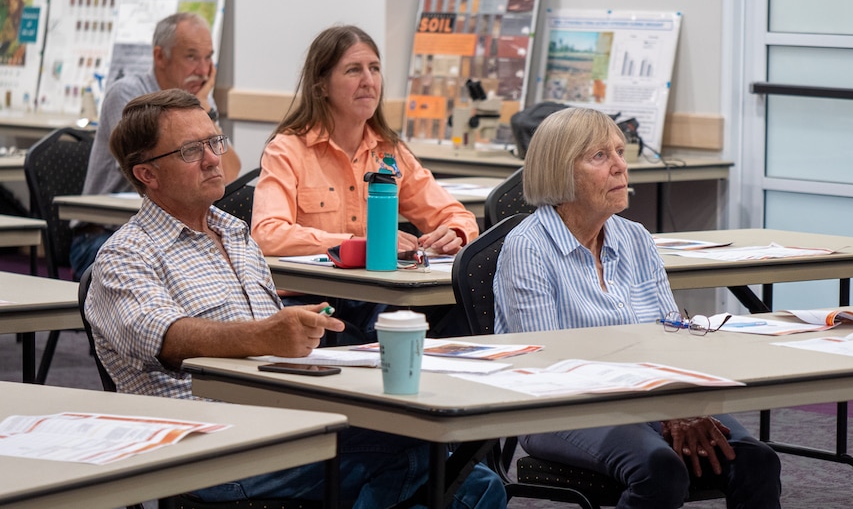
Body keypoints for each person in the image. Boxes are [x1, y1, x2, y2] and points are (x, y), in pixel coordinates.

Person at [85, 88, 506, 508]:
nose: (214, 158)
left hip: (283, 421)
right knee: (446, 466)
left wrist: (290, 334)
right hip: (209, 450)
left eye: (214, 141)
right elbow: (164, 338)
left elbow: (270, 348)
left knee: (463, 478)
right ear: (147, 174)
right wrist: (264, 335)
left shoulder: (234, 234)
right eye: (191, 151)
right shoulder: (125, 255)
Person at [493, 107, 781, 509]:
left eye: (620, 152)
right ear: (560, 171)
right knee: (659, 468)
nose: (620, 167)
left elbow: (670, 338)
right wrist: (663, 411)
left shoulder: (635, 238)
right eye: (599, 156)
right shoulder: (528, 247)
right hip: (559, 408)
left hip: (648, 399)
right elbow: (549, 366)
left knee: (757, 461)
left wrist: (685, 405)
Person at [251, 25, 479, 341]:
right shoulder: (288, 148)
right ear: (321, 86)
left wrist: (453, 234)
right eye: (353, 70)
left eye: (374, 69)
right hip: (310, 299)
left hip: (376, 298)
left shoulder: (389, 150)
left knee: (458, 310)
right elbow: (267, 234)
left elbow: (459, 217)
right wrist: (363, 244)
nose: (368, 81)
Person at [70, 12, 241, 280]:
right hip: (105, 234)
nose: (203, 70)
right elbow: (144, 176)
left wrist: (205, 108)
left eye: (209, 58)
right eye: (192, 57)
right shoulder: (128, 96)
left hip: (174, 234)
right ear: (160, 56)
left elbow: (229, 176)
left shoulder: (196, 102)